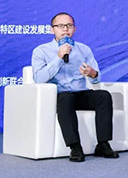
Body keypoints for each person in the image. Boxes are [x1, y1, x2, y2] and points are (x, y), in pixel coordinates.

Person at [31, 12, 119, 162]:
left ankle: (103, 144)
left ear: (75, 29)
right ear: (52, 30)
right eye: (60, 26)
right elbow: (39, 79)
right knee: (65, 98)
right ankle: (75, 147)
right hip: (59, 96)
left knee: (103, 95)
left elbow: (97, 79)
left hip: (80, 93)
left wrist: (92, 73)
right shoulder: (41, 51)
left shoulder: (84, 49)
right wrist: (59, 57)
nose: (65, 29)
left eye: (69, 25)